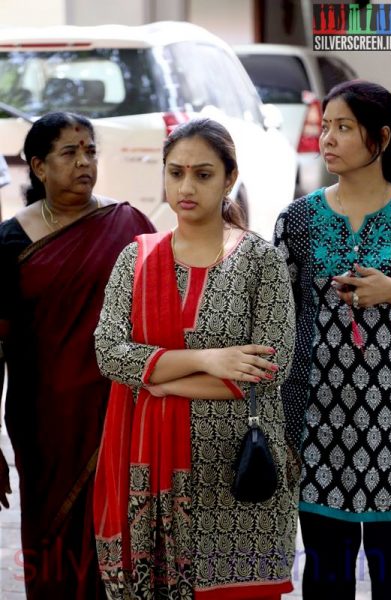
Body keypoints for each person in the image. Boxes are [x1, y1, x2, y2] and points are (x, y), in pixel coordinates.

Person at [93, 118, 298, 599]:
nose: (186, 187)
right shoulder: (136, 259)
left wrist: (158, 380)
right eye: (176, 172)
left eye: (203, 174)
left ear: (229, 178)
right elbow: (109, 354)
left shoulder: (259, 261)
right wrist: (210, 359)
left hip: (238, 473)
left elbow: (269, 370)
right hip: (152, 472)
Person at [0, 111, 155, 599]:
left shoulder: (129, 224)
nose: (85, 162)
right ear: (39, 167)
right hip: (44, 420)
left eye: (90, 151)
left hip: (122, 411)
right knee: (52, 536)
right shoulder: (10, 241)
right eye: (70, 153)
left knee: (123, 532)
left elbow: (163, 315)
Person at [273, 80, 391, 600]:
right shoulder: (297, 220)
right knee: (326, 579)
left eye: (343, 127)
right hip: (319, 423)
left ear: (382, 138)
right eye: (325, 126)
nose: (327, 138)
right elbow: (279, 322)